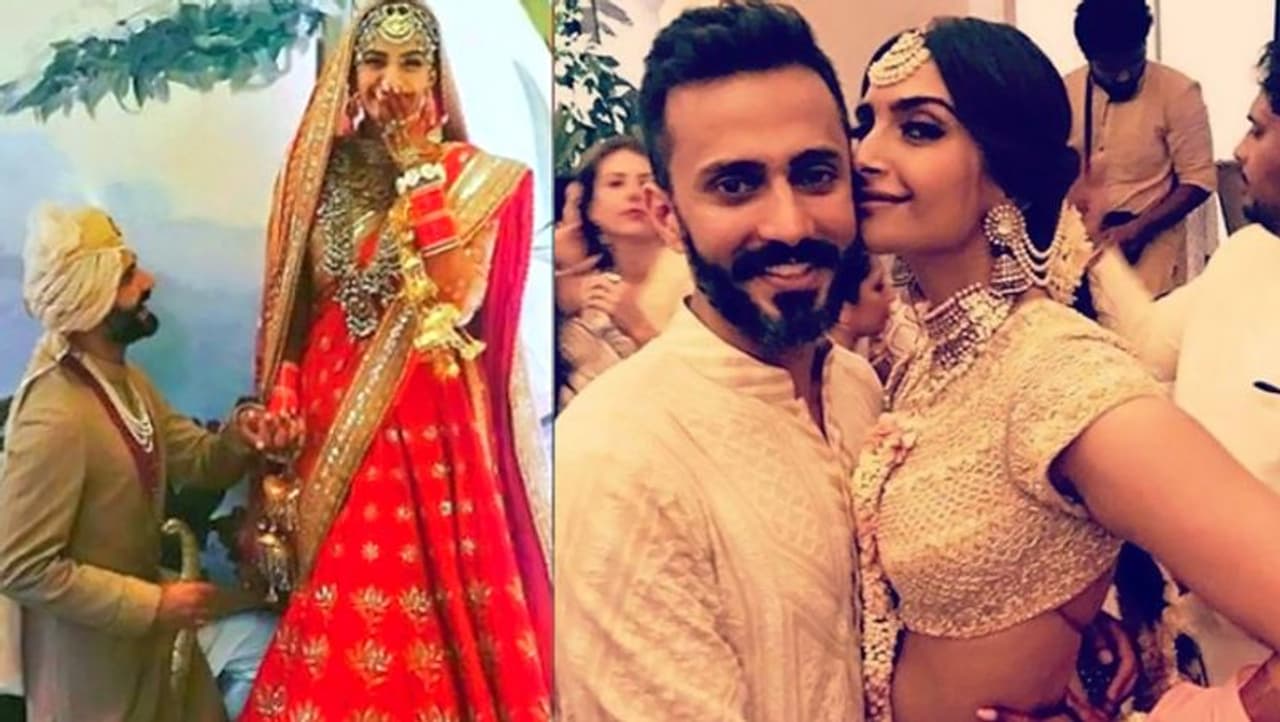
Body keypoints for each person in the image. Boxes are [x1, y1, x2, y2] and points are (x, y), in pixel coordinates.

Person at [851, 18, 1280, 722]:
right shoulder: (926, 358)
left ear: (1006, 173)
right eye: (865, 123)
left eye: (919, 129)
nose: (866, 153)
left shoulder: (1059, 380)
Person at [555, 4, 882, 720]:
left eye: (815, 175)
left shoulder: (859, 389)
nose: (789, 224)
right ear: (666, 215)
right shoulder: (619, 455)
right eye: (735, 185)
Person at [241, 1, 552, 719]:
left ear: (438, 77)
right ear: (350, 76)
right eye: (375, 62)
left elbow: (456, 300)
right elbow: (293, 320)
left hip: (425, 443)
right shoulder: (316, 177)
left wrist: (418, 174)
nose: (393, 81)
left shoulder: (476, 179)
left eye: (413, 63)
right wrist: (283, 397)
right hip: (325, 437)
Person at [0, 203, 293, 722]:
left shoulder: (124, 382)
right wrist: (153, 605)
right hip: (92, 682)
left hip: (150, 651)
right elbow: (21, 567)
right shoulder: (53, 416)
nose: (149, 282)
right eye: (128, 275)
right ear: (92, 300)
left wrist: (241, 436)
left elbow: (199, 461)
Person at [1085, 39, 1280, 692]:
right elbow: (1143, 344)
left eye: (1259, 130)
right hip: (1198, 655)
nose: (1241, 152)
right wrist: (1085, 236)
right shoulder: (1246, 257)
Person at [1064, 0, 1216, 296]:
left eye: (1133, 63)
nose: (1124, 77)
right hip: (1080, 245)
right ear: (1088, 56)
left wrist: (1139, 229)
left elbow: (1199, 181)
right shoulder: (1065, 91)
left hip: (1151, 244)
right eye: (1110, 69)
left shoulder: (1179, 92)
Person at [554, 135, 693, 407]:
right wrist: (563, 271)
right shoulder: (581, 284)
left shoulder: (698, 280)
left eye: (646, 182)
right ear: (590, 206)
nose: (634, 194)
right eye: (616, 183)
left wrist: (639, 328)